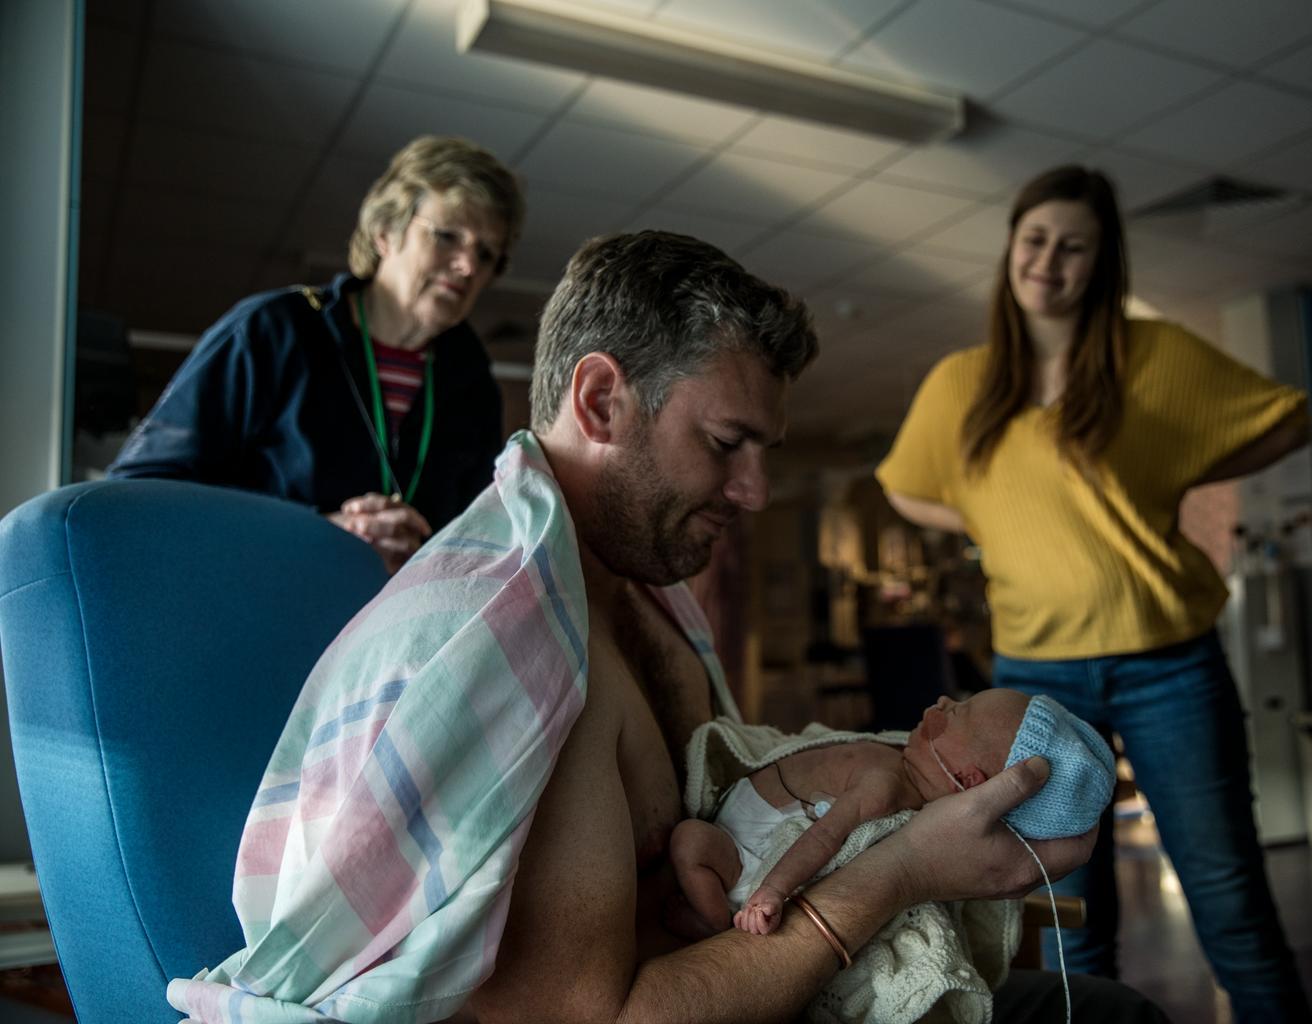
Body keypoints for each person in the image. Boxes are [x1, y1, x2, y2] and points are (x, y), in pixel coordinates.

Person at [167, 231, 1168, 1024]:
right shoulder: (515, 655)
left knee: (1110, 1010)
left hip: (737, 972)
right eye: (727, 443)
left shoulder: (638, 596)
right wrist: (902, 869)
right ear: (602, 400)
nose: (755, 491)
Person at [876, 165, 1312, 1022]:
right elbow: (903, 486)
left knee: (1231, 904)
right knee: (1071, 918)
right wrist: (985, 511)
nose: (1049, 261)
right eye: (1035, 240)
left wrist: (1178, 467)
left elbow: (1288, 419)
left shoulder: (1155, 356)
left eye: (1074, 247)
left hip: (1168, 663)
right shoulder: (964, 382)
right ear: (1012, 249)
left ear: (1100, 262)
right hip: (1036, 676)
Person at [108, 135, 522, 572]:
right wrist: (321, 534)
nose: (468, 266)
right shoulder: (274, 331)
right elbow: (140, 494)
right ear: (386, 231)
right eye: (447, 237)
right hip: (267, 609)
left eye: (486, 253)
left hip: (398, 631)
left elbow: (481, 536)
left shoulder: (471, 383)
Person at [671, 690, 1114, 939]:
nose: (942, 701)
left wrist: (771, 892)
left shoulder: (887, 788)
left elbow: (825, 838)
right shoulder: (901, 759)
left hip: (743, 855)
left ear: (969, 779)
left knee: (690, 841)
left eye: (958, 712)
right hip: (745, 820)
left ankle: (711, 927)